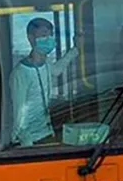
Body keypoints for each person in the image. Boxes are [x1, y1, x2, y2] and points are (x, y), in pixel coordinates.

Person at [9, 18, 78, 147]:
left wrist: (74, 50)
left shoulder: (45, 63)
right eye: (44, 35)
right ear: (31, 38)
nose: (49, 39)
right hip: (29, 141)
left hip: (46, 134)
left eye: (50, 35)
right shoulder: (20, 73)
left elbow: (57, 70)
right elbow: (19, 111)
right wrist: (25, 141)